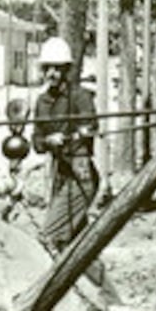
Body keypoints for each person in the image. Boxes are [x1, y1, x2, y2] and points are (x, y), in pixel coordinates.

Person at [30, 36, 101, 252]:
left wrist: (70, 136)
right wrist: (48, 142)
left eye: (57, 68)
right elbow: (36, 141)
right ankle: (97, 285)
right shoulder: (42, 102)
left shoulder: (81, 97)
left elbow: (91, 127)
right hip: (59, 176)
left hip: (81, 177)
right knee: (77, 247)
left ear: (66, 70)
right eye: (47, 68)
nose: (51, 73)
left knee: (49, 236)